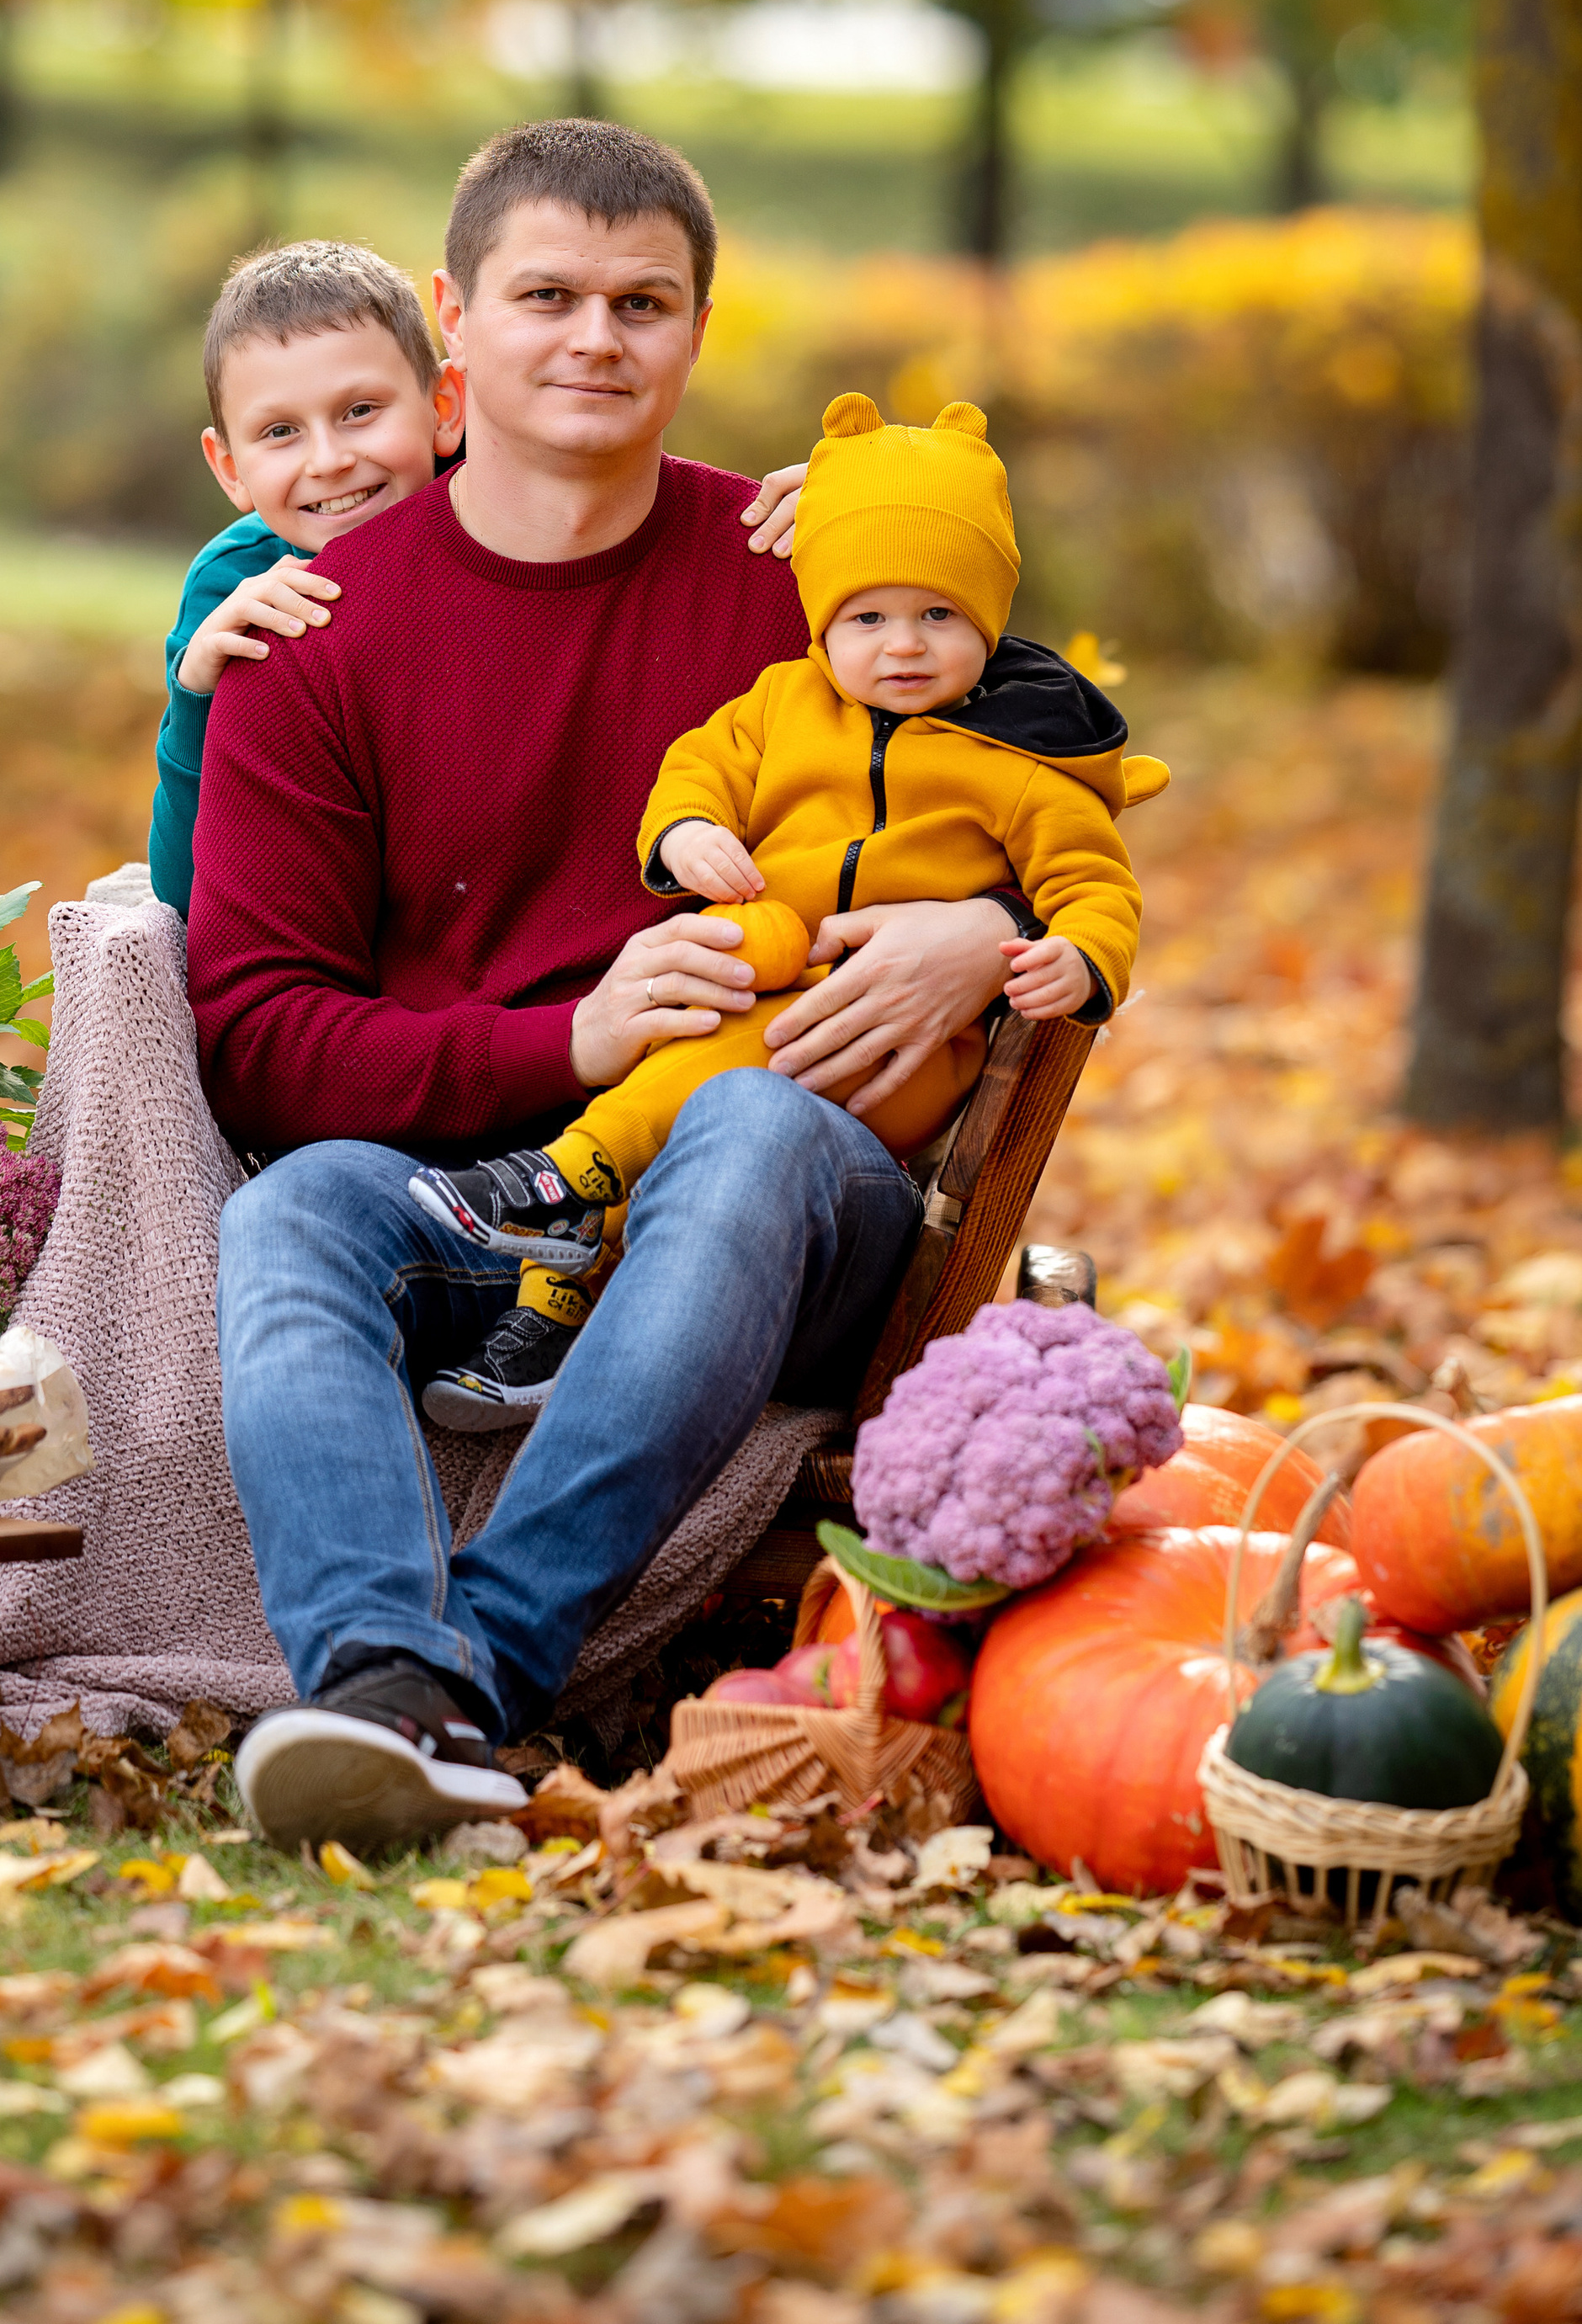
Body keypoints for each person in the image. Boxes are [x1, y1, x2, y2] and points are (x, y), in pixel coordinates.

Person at [185, 119, 1034, 1849]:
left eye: (640, 302)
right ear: (452, 322)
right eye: (546, 295)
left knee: (744, 1125)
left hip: (786, 1202)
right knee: (295, 1220)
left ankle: (462, 1683)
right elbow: (259, 1040)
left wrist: (981, 929)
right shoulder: (314, 631)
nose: (593, 338)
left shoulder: (804, 588)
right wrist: (558, 1041)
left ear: (695, 334)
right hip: (483, 1195)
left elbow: (1058, 787)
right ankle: (376, 1678)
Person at [414, 391, 1167, 1427]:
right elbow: (697, 769)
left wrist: (1080, 957)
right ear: (824, 619)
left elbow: (1096, 883)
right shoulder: (782, 704)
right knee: (701, 988)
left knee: (719, 1055)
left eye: (937, 615)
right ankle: (546, 1318)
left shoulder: (1018, 769)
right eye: (867, 617)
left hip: (894, 1046)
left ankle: (563, 1171)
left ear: (987, 620)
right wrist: (683, 836)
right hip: (767, 975)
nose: (901, 645)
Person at [145, 241, 465, 916]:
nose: (329, 460)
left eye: (359, 412)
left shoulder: (499, 510)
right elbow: (185, 892)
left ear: (443, 406)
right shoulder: (232, 587)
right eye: (282, 431)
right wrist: (198, 690)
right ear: (229, 467)